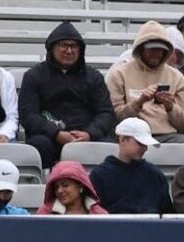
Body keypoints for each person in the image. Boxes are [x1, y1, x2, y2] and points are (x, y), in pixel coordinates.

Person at [19, 22, 116, 166]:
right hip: (49, 137)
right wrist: (56, 133)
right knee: (39, 144)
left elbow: (106, 112)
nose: (69, 51)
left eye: (74, 46)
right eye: (64, 45)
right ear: (52, 48)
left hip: (86, 135)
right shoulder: (34, 76)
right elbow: (28, 114)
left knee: (109, 147)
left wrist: (89, 134)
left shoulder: (94, 77)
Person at [106, 21, 184, 142]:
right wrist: (139, 102)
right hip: (132, 135)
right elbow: (115, 118)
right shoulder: (119, 74)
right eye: (152, 49)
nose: (156, 53)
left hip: (168, 136)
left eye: (160, 49)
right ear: (141, 49)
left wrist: (170, 106)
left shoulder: (176, 77)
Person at [88, 117, 173, 214]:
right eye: (140, 143)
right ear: (123, 140)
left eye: (145, 145)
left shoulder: (155, 175)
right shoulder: (99, 175)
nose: (145, 148)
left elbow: (167, 213)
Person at [37, 160, 106, 214]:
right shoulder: (45, 214)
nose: (59, 191)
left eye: (65, 185)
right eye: (56, 187)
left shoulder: (99, 214)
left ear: (81, 186)